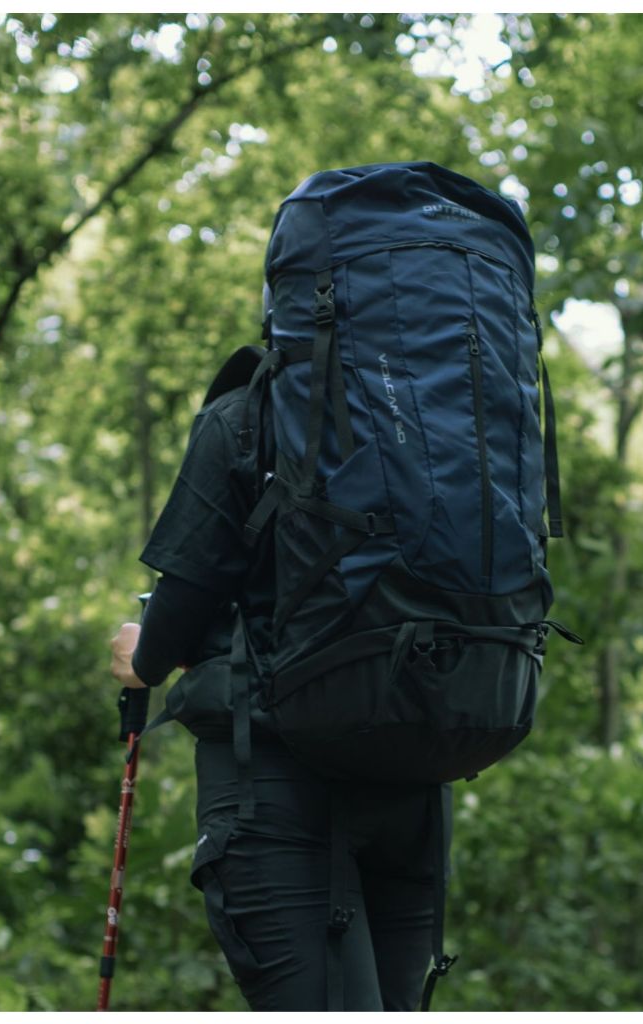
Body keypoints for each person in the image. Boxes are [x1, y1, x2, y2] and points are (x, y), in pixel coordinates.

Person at [109, 362, 452, 1012]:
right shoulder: (437, 417)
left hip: (274, 782)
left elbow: (178, 610)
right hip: (414, 778)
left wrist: (141, 659)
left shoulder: (251, 415)